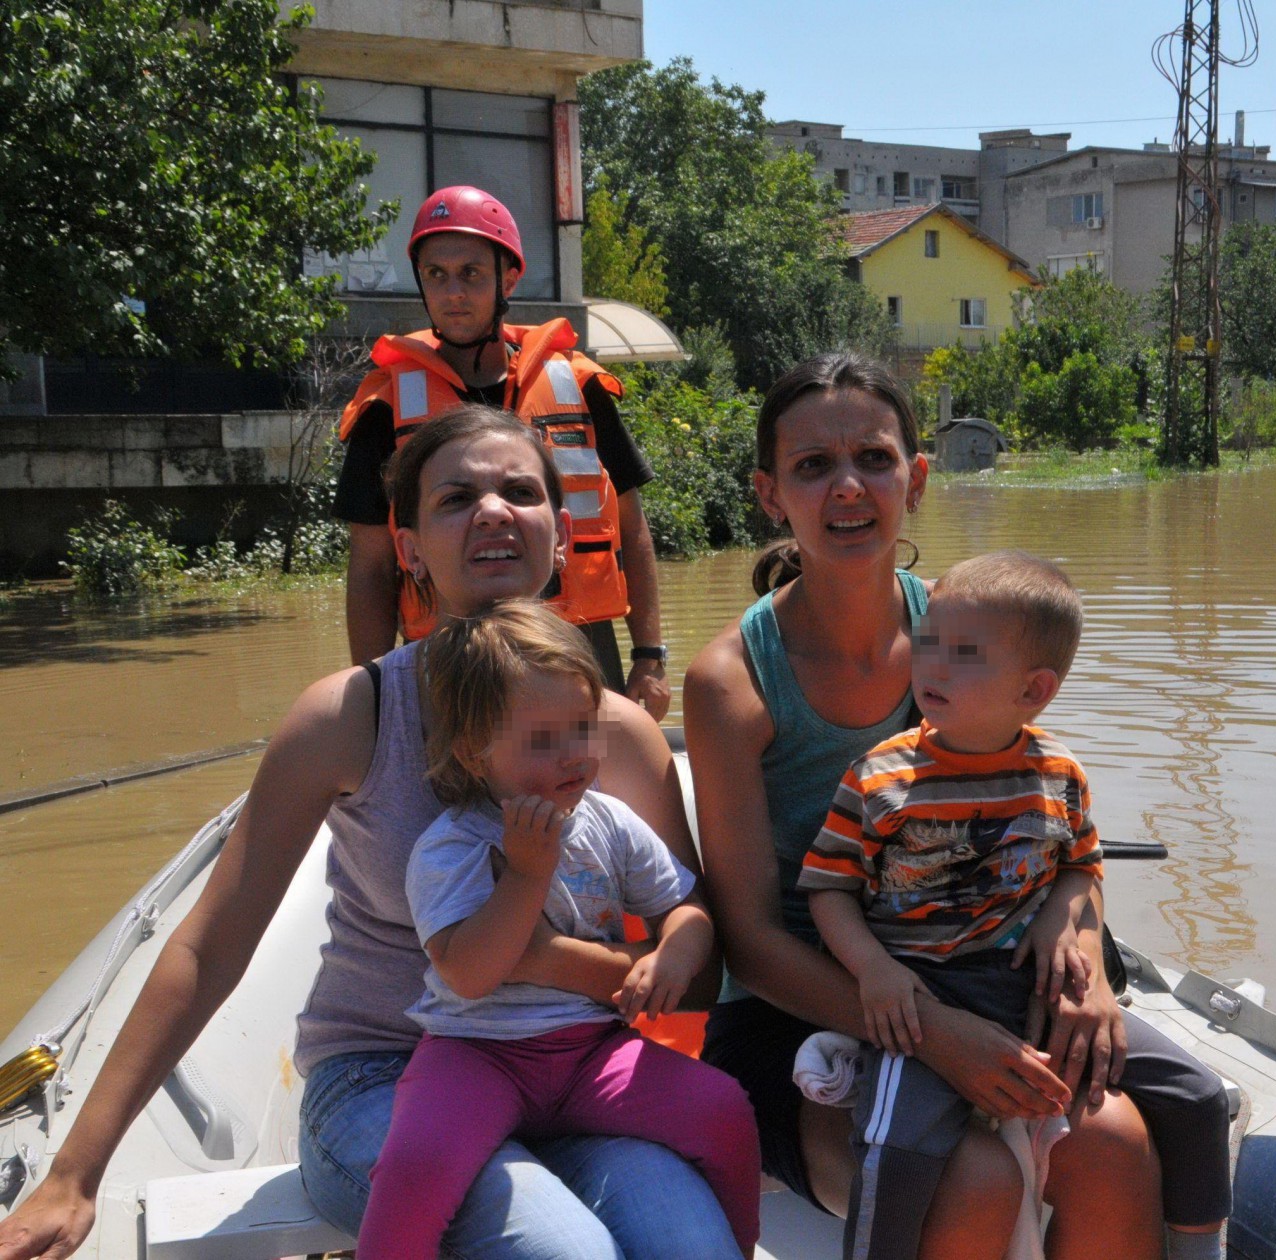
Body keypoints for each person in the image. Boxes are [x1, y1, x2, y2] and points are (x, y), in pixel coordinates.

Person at [0, 405, 738, 1260]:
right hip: (381, 1077)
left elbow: (695, 964)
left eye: (520, 492)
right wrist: (75, 1171)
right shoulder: (352, 716)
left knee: (692, 1242)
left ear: (562, 535)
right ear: (412, 550)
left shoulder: (623, 737)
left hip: (567, 1068)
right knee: (560, 1251)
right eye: (456, 498)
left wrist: (570, 966)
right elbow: (209, 946)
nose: (494, 511)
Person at [684, 352, 1165, 1260]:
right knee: (971, 1174)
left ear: (919, 478)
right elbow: (748, 940)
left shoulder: (973, 627)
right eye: (813, 466)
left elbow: (1057, 829)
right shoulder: (730, 683)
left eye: (873, 457)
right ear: (768, 493)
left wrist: (1087, 960)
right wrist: (934, 1036)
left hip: (977, 978)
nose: (849, 487)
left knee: (1113, 1141)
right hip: (805, 1012)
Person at [800, 550, 1231, 1260]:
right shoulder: (880, 776)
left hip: (1031, 988)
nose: (932, 665)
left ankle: (1197, 1249)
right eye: (929, 641)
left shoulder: (1060, 774)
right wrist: (872, 971)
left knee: (1199, 1097)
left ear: (1034, 690)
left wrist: (1072, 933)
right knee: (894, 1148)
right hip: (920, 995)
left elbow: (1080, 865)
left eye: (963, 655)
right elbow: (829, 889)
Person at [357, 602, 759, 1260]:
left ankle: (739, 1248)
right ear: (473, 751)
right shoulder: (449, 847)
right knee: (416, 1163)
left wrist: (677, 956)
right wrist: (526, 874)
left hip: (591, 1055)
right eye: (544, 739)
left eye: (582, 727)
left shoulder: (609, 822)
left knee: (723, 1107)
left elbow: (684, 906)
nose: (573, 755)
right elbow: (469, 972)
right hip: (477, 1056)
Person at [334, 185, 671, 719]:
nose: (453, 293)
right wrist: (377, 695)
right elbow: (372, 566)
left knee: (588, 787)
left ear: (507, 278)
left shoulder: (576, 384)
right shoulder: (386, 405)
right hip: (449, 650)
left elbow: (631, 526)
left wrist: (650, 657)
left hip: (578, 641)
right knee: (456, 788)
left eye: (471, 273)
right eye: (436, 275)